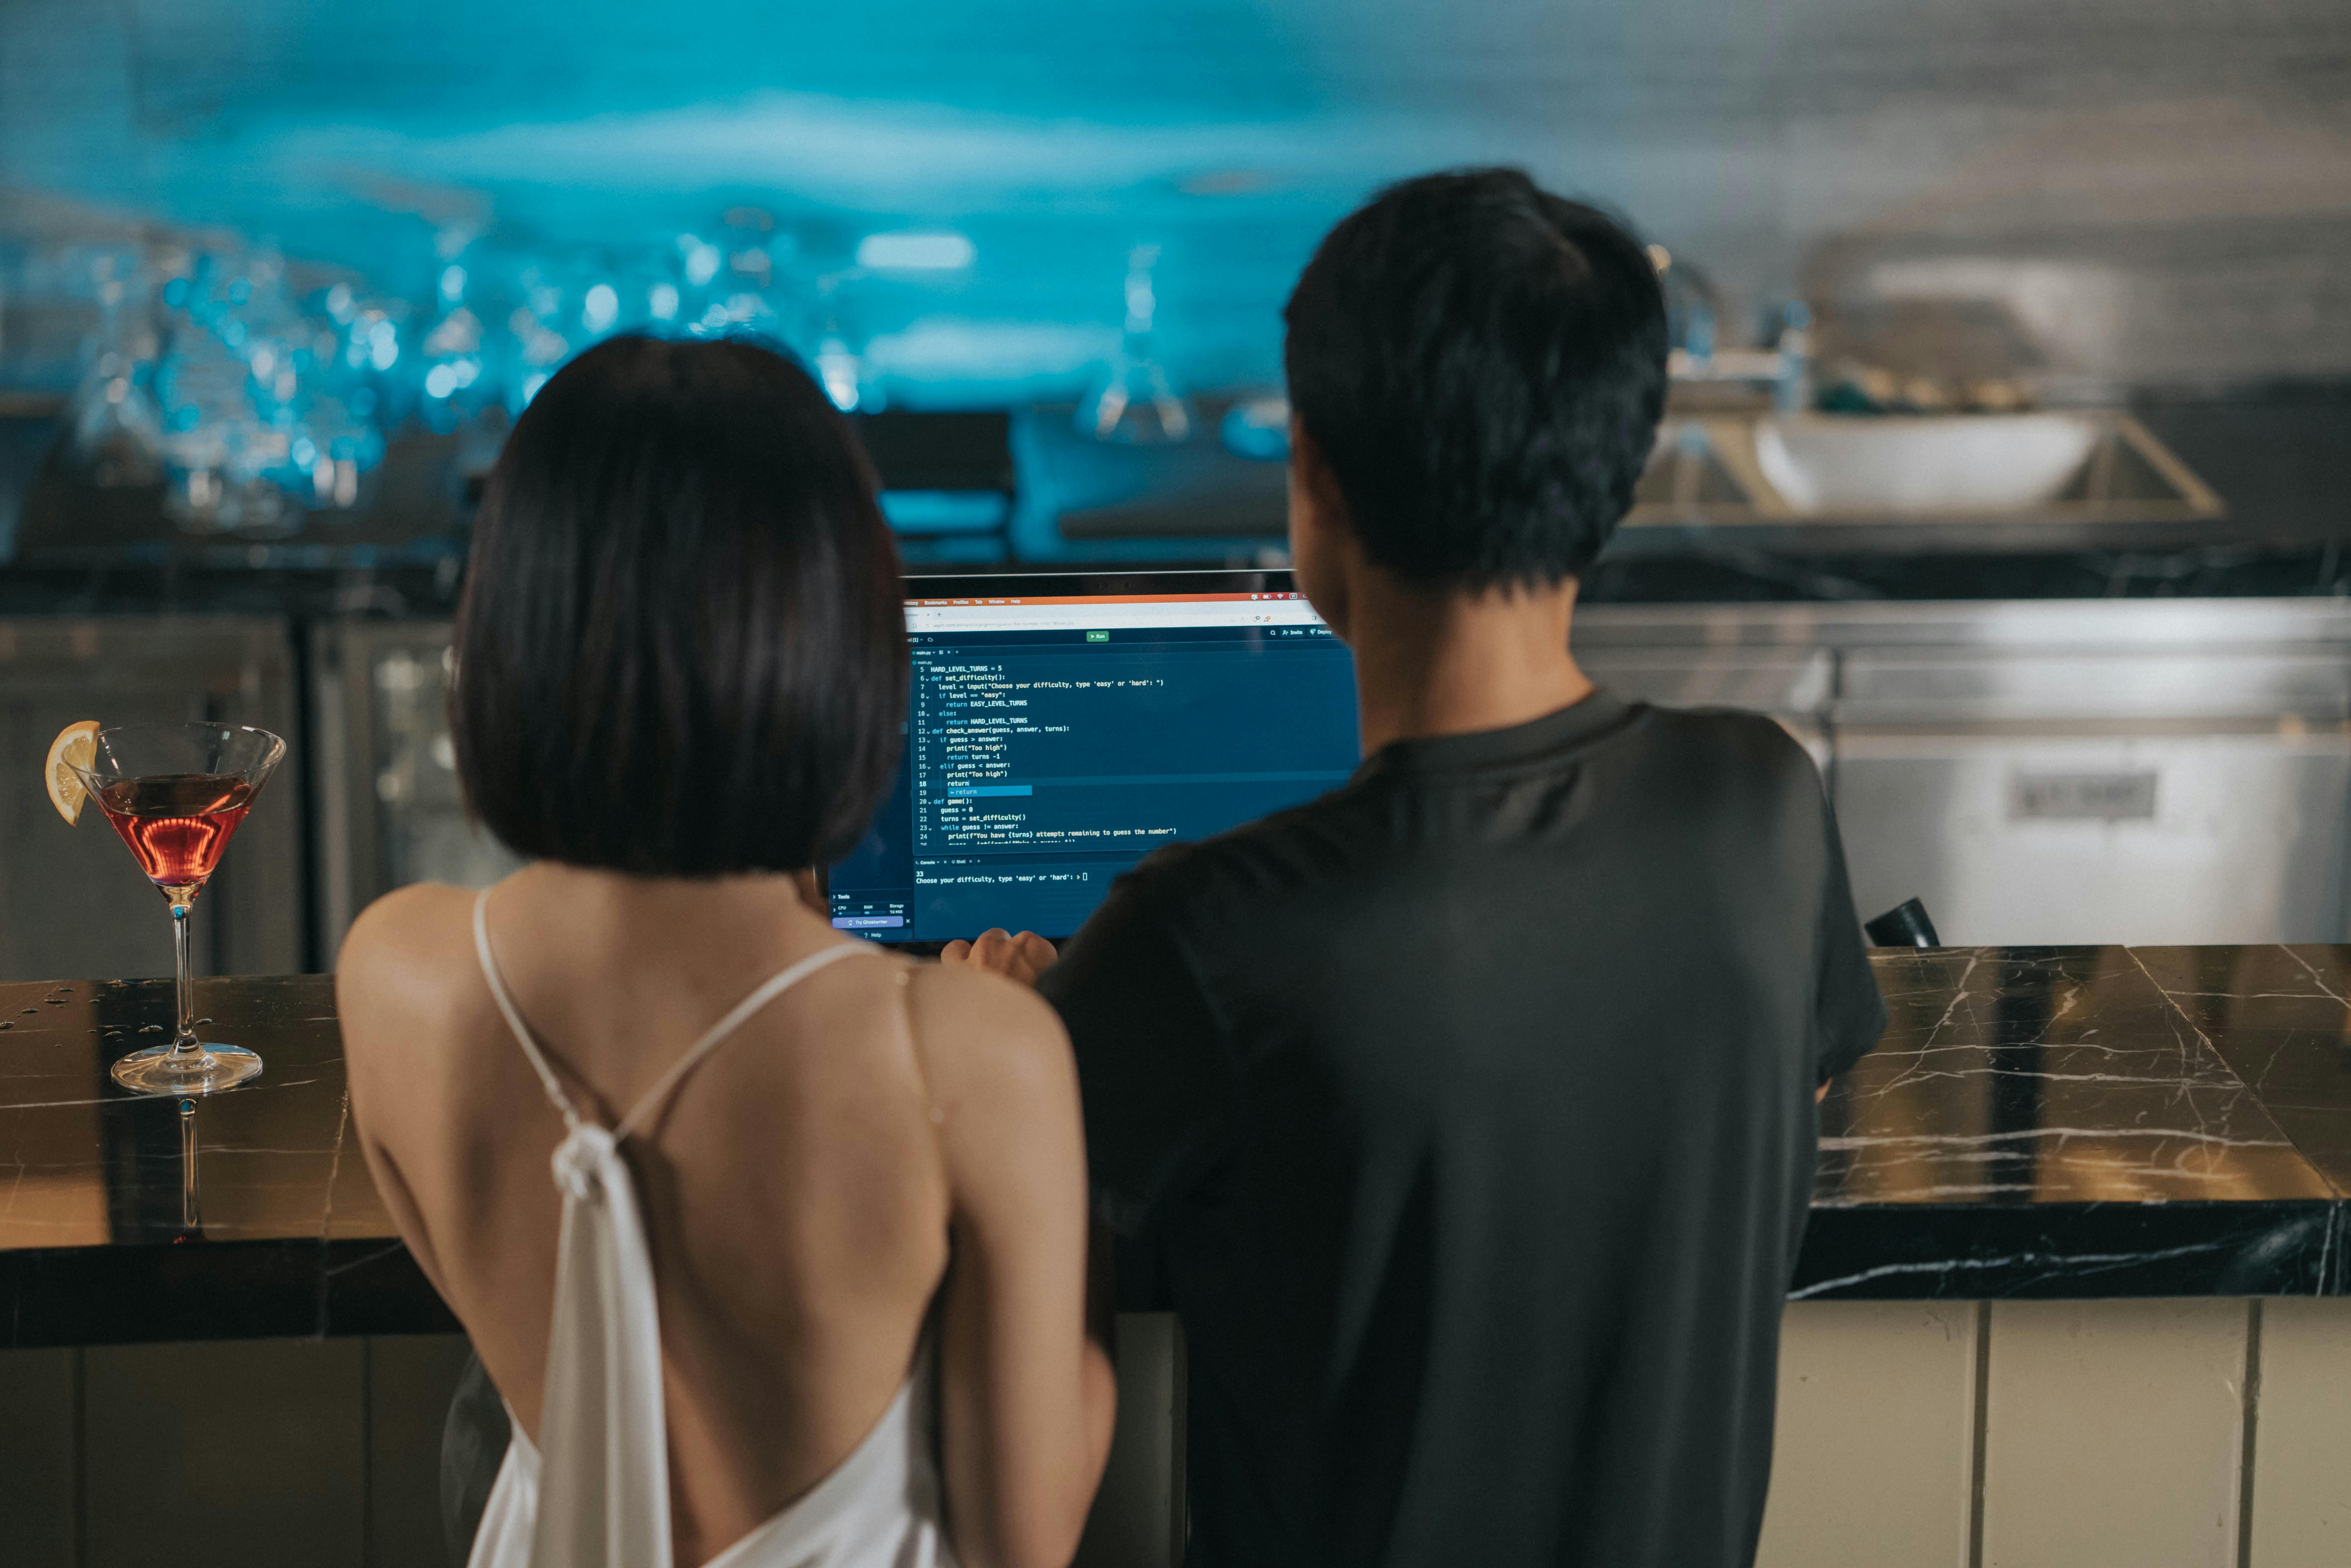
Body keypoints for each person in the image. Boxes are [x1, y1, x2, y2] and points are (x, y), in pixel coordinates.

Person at [948, 169, 1886, 1567]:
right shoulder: (1761, 806)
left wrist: (1002, 1044)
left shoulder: (1202, 935)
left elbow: (1004, 1230)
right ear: (1614, 471)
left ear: (1312, 476)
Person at [338, 335, 1115, 1568]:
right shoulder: (969, 1052)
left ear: (510, 629)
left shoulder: (398, 972)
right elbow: (1026, 1535)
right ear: (840, 645)